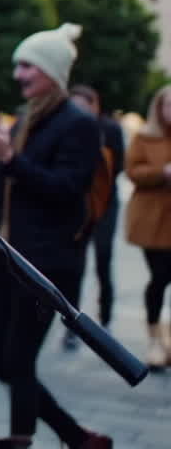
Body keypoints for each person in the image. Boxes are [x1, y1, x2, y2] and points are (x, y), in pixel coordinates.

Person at [0, 23, 111, 448]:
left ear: (52, 69)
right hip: (5, 259)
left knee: (17, 361)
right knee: (1, 363)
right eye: (17, 65)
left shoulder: (78, 124)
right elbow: (10, 186)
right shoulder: (26, 117)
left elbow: (66, 191)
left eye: (27, 65)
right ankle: (76, 436)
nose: (18, 74)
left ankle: (22, 438)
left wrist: (8, 157)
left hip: (45, 264)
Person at [67, 84, 124, 336]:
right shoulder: (67, 127)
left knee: (103, 258)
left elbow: (118, 167)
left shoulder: (110, 129)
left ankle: (106, 314)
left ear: (95, 105)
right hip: (78, 205)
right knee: (75, 264)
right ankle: (73, 320)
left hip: (105, 203)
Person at [122, 84, 171, 368]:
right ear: (158, 107)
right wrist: (161, 172)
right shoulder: (144, 136)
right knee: (160, 277)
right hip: (152, 221)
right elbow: (133, 171)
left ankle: (165, 338)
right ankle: (155, 339)